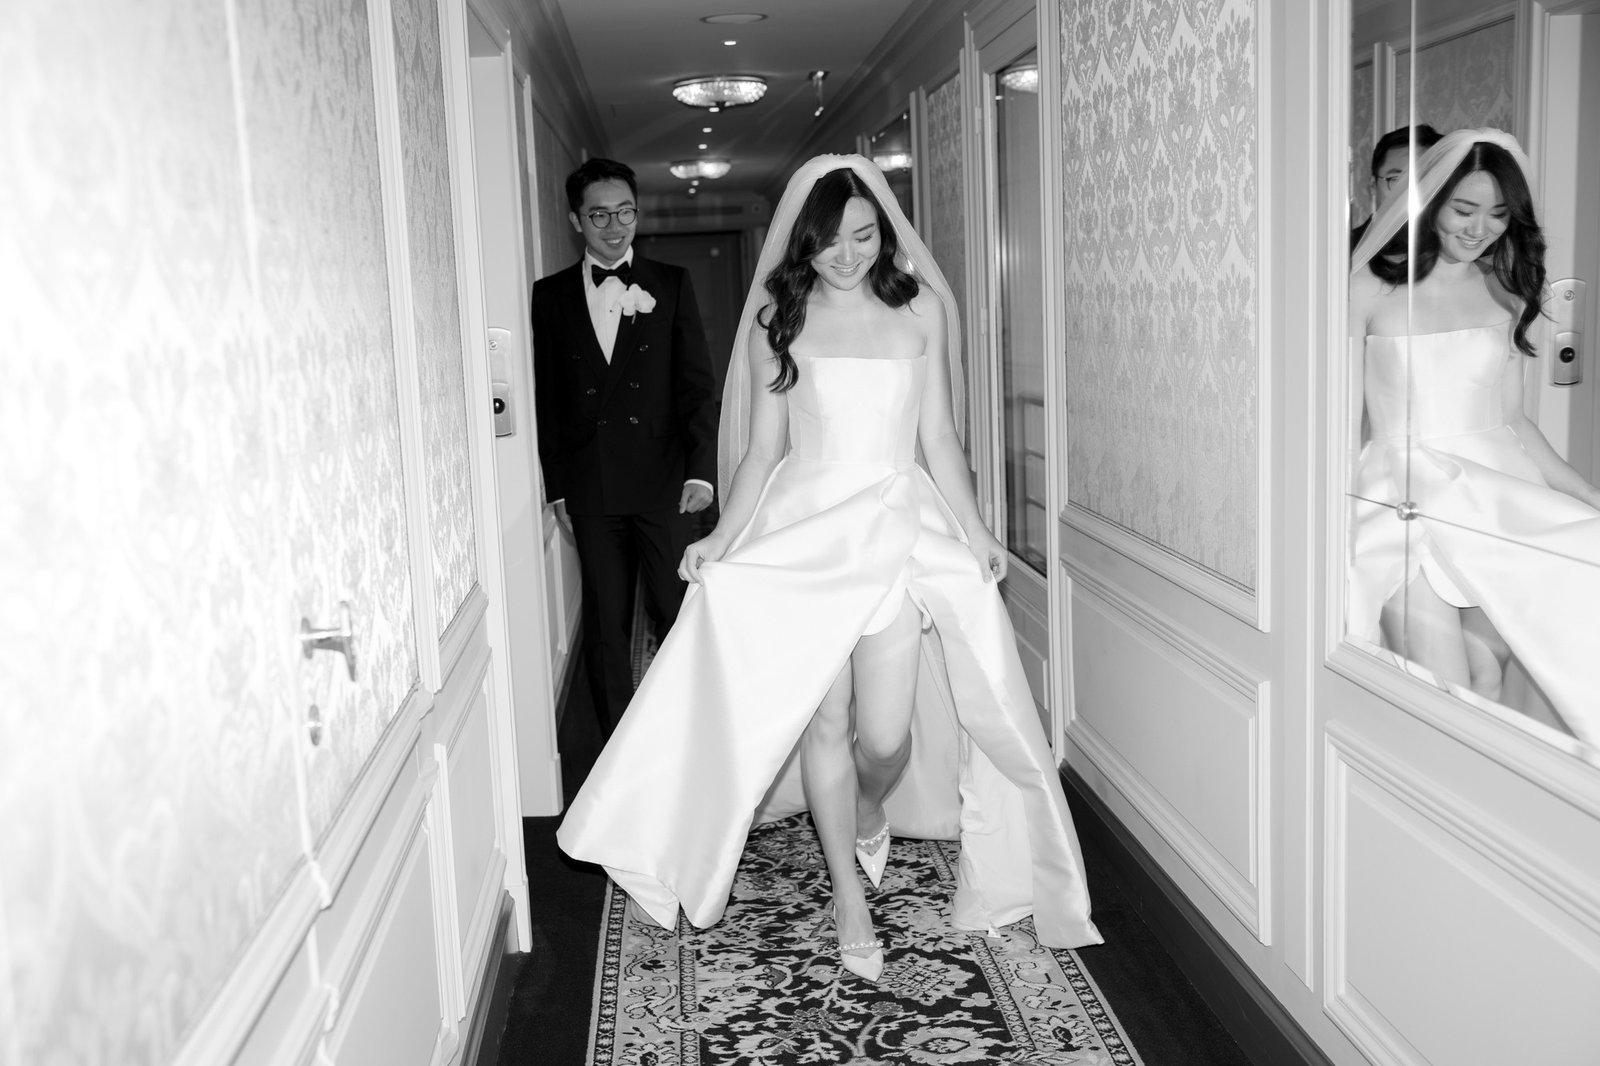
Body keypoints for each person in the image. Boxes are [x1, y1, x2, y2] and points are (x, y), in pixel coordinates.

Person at [556, 155, 1101, 982]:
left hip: (893, 527)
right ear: (803, 243)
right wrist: (721, 539)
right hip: (804, 533)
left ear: (883, 233)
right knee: (825, 721)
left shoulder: (920, 311)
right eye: (829, 241)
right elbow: (762, 452)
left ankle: (870, 809)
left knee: (884, 735)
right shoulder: (780, 313)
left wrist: (977, 530)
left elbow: (940, 440)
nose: (846, 254)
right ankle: (847, 890)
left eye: (863, 235)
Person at [1348, 128, 1600, 744]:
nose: (1478, 229)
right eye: (1463, 210)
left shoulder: (1503, 288)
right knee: (1446, 697)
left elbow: (1512, 421)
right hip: (1401, 499)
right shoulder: (1368, 291)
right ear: (1430, 199)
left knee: (1489, 682)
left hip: (1494, 498)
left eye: (1497, 214)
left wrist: (1587, 494)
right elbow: (1332, 418)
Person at [531, 159, 719, 739]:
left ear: (638, 212)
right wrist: (557, 486)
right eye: (600, 215)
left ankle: (693, 730)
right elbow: (548, 398)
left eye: (625, 212)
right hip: (592, 485)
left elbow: (696, 386)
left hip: (664, 480)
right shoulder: (552, 295)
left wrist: (701, 473)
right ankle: (619, 747)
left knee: (677, 609)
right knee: (607, 625)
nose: (615, 226)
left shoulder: (671, 283)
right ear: (575, 220)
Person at [1350, 123, 1443, 250]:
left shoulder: (1454, 249)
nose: (1407, 193)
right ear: (1373, 186)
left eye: (1422, 180)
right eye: (1396, 180)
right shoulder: (1344, 249)